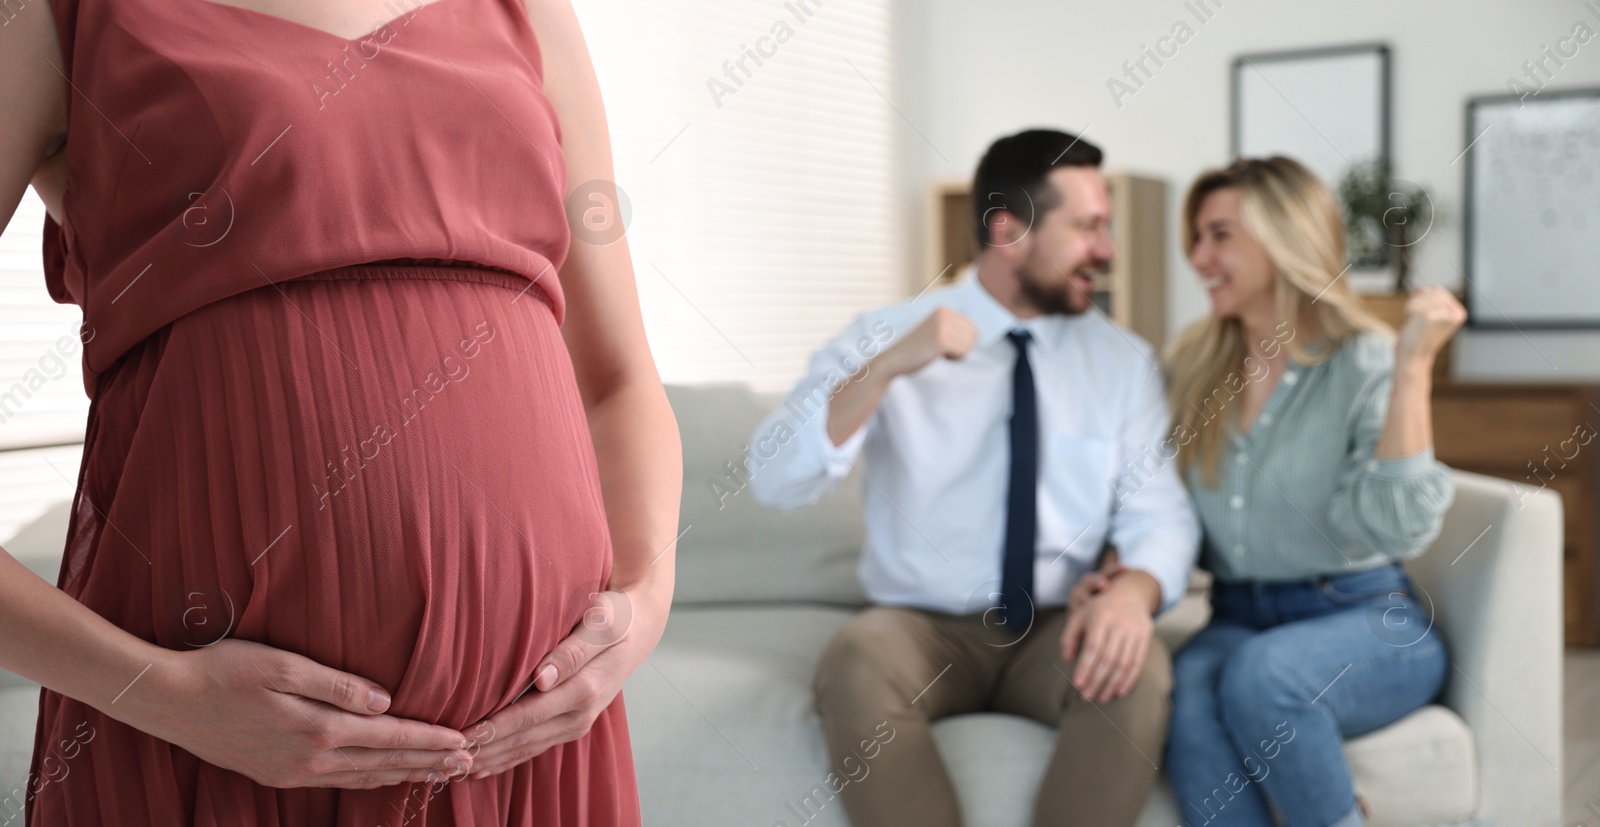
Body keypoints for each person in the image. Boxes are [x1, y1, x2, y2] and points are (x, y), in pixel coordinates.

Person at [0, 0, 680, 823]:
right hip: (205, 749)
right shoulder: (56, 15)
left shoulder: (528, 11)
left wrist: (643, 603)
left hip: (530, 755)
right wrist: (166, 695)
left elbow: (619, 380)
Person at [749, 128, 1201, 827]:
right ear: (1008, 228)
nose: (1106, 251)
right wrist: (885, 370)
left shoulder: (1121, 361)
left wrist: (1135, 594)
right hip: (924, 629)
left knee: (1137, 669)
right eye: (1087, 228)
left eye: (1105, 228)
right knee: (857, 657)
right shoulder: (886, 334)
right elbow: (774, 476)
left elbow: (1160, 516)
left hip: (1058, 625)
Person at [1150, 156, 1462, 827]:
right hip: (1235, 616)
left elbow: (1398, 526)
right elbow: (1154, 499)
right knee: (1190, 694)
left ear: (1281, 237)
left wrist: (1413, 368)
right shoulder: (1191, 362)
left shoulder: (1367, 358)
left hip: (1365, 617)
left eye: (1219, 235)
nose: (1200, 258)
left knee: (1267, 676)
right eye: (1196, 240)